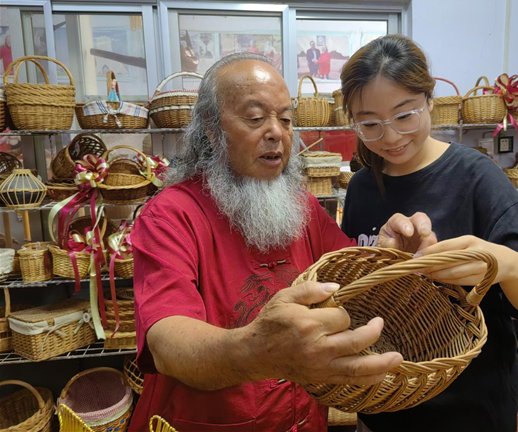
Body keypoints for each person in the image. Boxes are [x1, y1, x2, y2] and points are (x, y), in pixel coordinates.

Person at [128, 52, 437, 432]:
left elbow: (351, 278)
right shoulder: (170, 215)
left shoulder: (300, 207)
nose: (276, 131)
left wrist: (385, 256)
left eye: (286, 120)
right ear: (211, 128)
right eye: (256, 118)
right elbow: (168, 345)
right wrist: (259, 352)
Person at [340, 35, 518, 432]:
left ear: (429, 100)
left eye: (404, 115)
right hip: (384, 403)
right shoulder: (361, 187)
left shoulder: (477, 177)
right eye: (370, 124)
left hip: (469, 408)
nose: (390, 137)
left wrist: (502, 264)